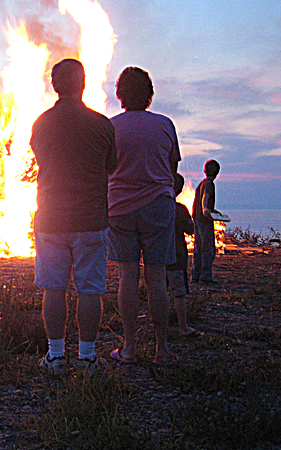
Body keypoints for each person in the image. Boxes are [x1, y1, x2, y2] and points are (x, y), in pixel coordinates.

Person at [30, 58, 117, 375]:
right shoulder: (101, 124)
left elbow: (40, 160)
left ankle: (55, 357)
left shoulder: (41, 123)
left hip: (51, 219)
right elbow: (112, 166)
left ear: (54, 86)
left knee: (54, 289)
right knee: (89, 290)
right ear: (83, 83)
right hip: (91, 219)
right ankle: (87, 358)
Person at [107, 66, 180, 366]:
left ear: (120, 94)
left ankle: (130, 348)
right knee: (157, 278)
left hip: (120, 208)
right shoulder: (165, 124)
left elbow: (106, 169)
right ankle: (162, 349)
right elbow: (172, 169)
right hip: (158, 207)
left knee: (127, 277)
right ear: (150, 93)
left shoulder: (110, 127)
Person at [167, 173, 199, 337]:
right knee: (179, 292)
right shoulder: (180, 209)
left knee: (158, 290)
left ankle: (159, 324)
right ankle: (183, 326)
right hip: (177, 258)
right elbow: (190, 229)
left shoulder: (157, 208)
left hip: (157, 257)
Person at [192, 159, 221, 284]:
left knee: (198, 247)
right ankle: (205, 276)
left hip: (197, 218)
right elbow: (205, 198)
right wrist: (206, 210)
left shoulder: (202, 183)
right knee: (208, 248)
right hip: (204, 220)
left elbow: (202, 199)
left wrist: (212, 210)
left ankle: (195, 275)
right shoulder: (209, 184)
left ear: (204, 170)